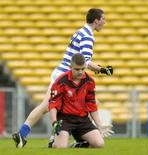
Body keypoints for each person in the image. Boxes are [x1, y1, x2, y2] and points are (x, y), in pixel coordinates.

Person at [12, 8, 113, 148]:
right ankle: (26, 134)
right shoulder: (88, 36)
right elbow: (85, 61)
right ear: (96, 21)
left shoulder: (80, 32)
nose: (104, 22)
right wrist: (102, 69)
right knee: (47, 106)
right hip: (65, 76)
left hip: (63, 72)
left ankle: (47, 136)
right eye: (103, 19)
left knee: (92, 102)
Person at [49, 53, 104, 148]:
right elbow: (53, 104)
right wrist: (54, 123)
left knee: (99, 144)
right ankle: (53, 142)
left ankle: (78, 145)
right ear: (70, 67)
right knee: (60, 147)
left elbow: (92, 106)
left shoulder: (90, 81)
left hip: (82, 120)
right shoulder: (61, 81)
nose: (80, 72)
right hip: (65, 119)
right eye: (77, 69)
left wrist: (100, 127)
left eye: (83, 69)